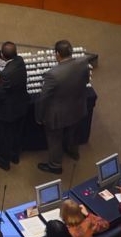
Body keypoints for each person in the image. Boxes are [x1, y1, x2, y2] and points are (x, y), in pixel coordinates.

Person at [36, 40, 90, 175]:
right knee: (73, 131)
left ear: (57, 54)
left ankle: (55, 165)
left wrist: (39, 116)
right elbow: (86, 81)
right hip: (77, 107)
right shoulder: (83, 63)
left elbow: (43, 98)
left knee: (55, 139)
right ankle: (73, 151)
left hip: (58, 115)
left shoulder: (53, 74)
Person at [0, 41, 29, 170]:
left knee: (6, 135)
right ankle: (15, 156)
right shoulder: (20, 60)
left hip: (8, 110)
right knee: (17, 133)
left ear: (5, 57)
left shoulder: (5, 74)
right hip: (22, 105)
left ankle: (4, 161)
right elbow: (10, 56)